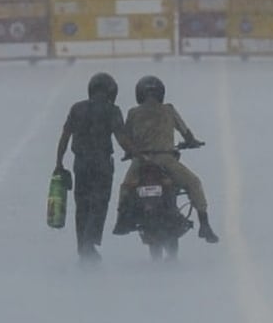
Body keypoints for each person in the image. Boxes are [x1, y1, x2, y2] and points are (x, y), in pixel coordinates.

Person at [113, 75, 220, 243]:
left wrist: (131, 152)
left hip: (141, 161)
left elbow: (127, 137)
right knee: (194, 183)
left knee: (126, 188)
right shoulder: (169, 110)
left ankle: (121, 221)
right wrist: (191, 142)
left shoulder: (133, 113)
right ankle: (204, 225)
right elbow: (186, 132)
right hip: (166, 160)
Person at [55, 72, 132, 263]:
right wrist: (136, 153)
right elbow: (122, 138)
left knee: (82, 205)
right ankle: (89, 243)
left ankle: (82, 246)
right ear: (111, 91)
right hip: (102, 164)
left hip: (80, 164)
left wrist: (59, 163)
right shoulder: (112, 110)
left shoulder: (77, 108)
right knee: (99, 204)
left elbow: (65, 137)